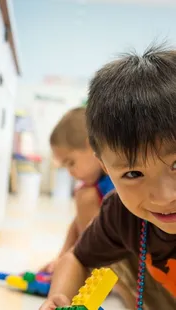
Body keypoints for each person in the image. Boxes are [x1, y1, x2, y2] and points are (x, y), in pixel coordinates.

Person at [39, 45, 176, 310]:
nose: (165, 196)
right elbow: (77, 258)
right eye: (133, 174)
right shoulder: (120, 214)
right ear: (106, 166)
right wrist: (58, 298)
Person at [39, 107, 114, 274]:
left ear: (93, 146)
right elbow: (77, 225)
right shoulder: (97, 184)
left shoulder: (117, 180)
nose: (70, 172)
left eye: (71, 163)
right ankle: (77, 265)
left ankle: (94, 270)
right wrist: (61, 260)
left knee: (84, 196)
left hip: (131, 260)